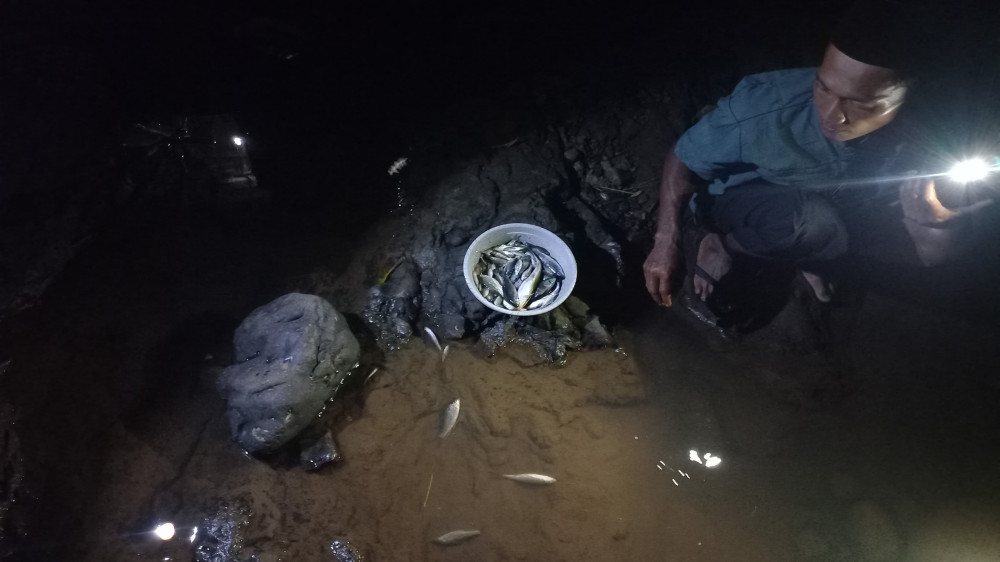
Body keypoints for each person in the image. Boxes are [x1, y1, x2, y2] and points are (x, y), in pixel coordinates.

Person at [642, 11, 992, 321]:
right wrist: (664, 242)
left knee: (930, 243)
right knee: (812, 224)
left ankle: (811, 254)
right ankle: (726, 244)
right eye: (824, 89)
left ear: (905, 97)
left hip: (838, 194)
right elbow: (682, 155)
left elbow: (931, 256)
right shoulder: (767, 108)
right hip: (743, 197)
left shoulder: (931, 135)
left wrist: (936, 220)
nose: (832, 114)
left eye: (858, 103)